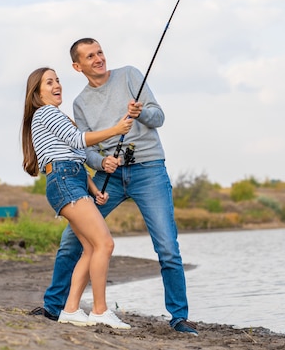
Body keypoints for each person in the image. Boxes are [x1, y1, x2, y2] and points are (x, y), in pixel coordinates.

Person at [38, 38, 199, 336]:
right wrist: (101, 163)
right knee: (72, 241)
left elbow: (158, 117)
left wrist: (141, 113)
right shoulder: (80, 103)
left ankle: (179, 316)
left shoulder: (129, 75)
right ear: (78, 66)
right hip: (110, 177)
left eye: (100, 52)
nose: (98, 58)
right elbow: (84, 148)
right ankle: (54, 306)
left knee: (167, 245)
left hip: (149, 169)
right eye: (90, 56)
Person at [21, 67, 133, 329]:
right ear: (37, 93)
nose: (56, 84)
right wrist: (116, 129)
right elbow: (77, 140)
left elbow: (77, 161)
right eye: (49, 82)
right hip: (63, 181)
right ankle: (100, 310)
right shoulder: (45, 113)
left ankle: (70, 309)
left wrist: (95, 191)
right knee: (105, 244)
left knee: (93, 247)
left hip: (71, 180)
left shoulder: (57, 116)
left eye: (57, 80)